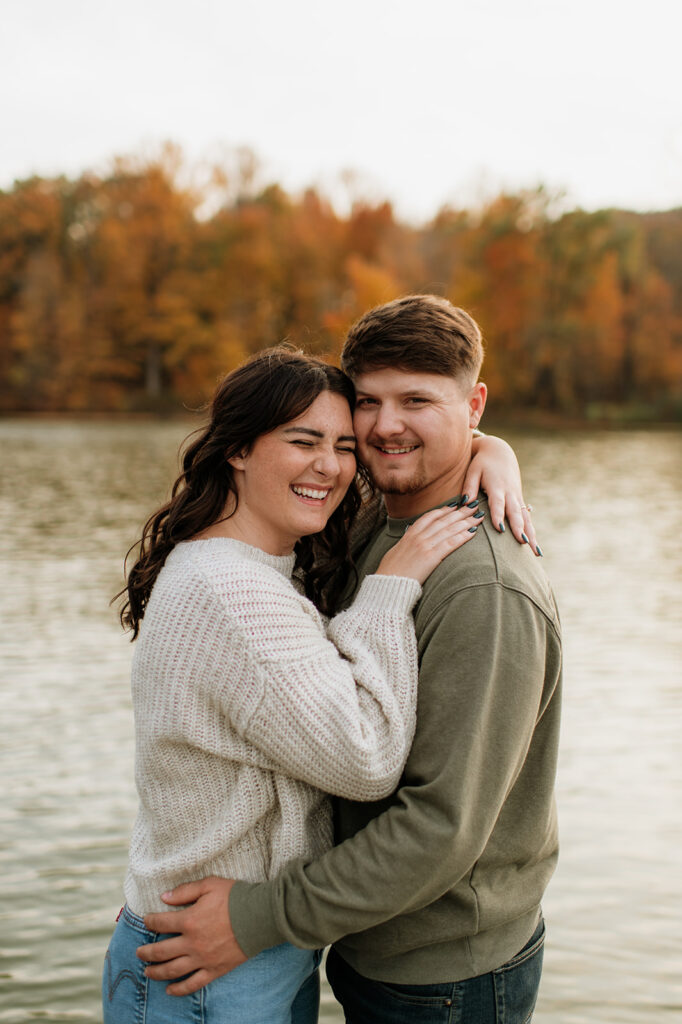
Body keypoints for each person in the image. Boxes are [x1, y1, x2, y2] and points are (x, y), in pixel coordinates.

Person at [139, 296, 562, 1024]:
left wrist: (262, 915)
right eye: (368, 401)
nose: (384, 425)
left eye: (418, 400)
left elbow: (441, 827)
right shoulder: (368, 520)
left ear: (474, 404)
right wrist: (487, 448)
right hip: (366, 944)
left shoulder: (483, 587)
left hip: (446, 974)